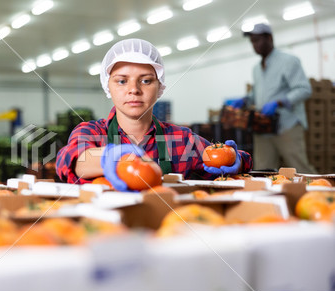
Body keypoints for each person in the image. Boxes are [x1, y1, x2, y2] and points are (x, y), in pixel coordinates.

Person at [56, 39, 252, 190]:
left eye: (146, 81)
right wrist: (112, 158)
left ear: (160, 86)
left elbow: (230, 158)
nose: (133, 89)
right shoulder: (92, 132)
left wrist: (236, 160)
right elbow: (70, 160)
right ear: (108, 85)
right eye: (122, 81)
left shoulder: (182, 140)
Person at [227, 23, 316, 173]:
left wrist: (279, 102)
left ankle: (319, 194)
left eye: (257, 40)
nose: (254, 45)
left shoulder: (288, 61)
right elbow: (257, 94)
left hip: (287, 125)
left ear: (269, 38)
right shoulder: (256, 68)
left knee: (299, 168)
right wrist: (245, 100)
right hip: (263, 127)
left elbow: (304, 89)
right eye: (252, 41)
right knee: (262, 170)